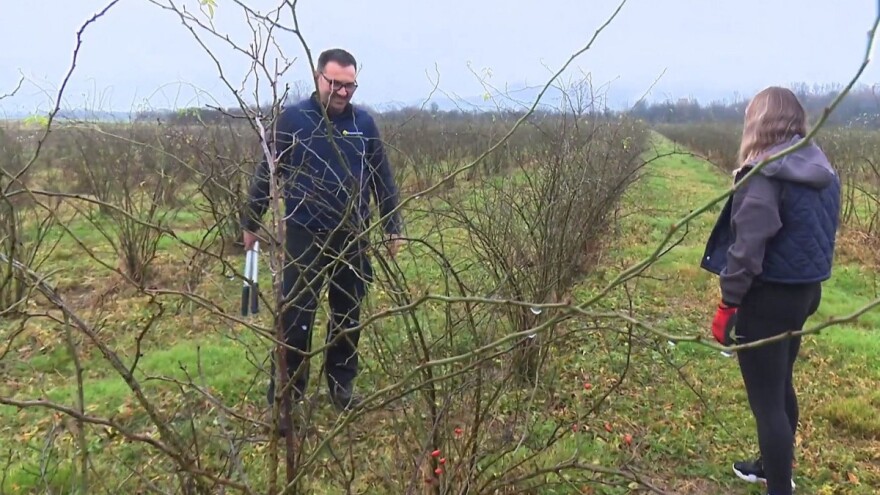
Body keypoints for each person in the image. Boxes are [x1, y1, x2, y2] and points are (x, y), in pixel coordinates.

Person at [241, 48, 404, 421]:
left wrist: (392, 225)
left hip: (352, 235)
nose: (343, 92)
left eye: (350, 85)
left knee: (348, 313)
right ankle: (286, 397)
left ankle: (341, 385)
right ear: (319, 78)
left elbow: (383, 178)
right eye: (336, 84)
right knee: (297, 316)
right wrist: (251, 222)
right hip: (304, 234)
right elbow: (267, 173)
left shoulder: (365, 124)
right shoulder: (294, 120)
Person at [700, 86, 841, 495]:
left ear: (759, 123)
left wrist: (729, 303)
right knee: (780, 385)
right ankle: (771, 468)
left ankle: (779, 486)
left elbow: (747, 248)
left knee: (766, 402)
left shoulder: (765, 172)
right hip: (805, 293)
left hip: (768, 297)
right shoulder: (823, 170)